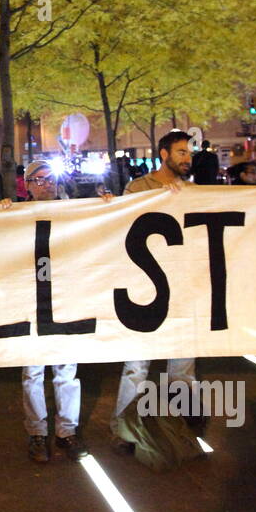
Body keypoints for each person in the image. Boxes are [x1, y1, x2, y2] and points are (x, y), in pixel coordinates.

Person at [0, 159, 91, 463]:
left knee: (66, 370)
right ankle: (37, 433)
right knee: (33, 372)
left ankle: (67, 432)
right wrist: (0, 214)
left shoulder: (76, 210)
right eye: (38, 180)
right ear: (28, 186)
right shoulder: (18, 213)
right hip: (32, 300)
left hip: (65, 297)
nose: (45, 184)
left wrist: (106, 205)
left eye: (50, 178)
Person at [112, 132, 198, 448]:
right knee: (137, 366)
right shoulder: (138, 188)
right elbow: (121, 225)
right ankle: (125, 430)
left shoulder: (192, 191)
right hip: (145, 292)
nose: (187, 158)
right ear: (164, 154)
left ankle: (180, 429)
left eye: (189, 152)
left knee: (183, 368)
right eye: (181, 152)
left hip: (184, 291)